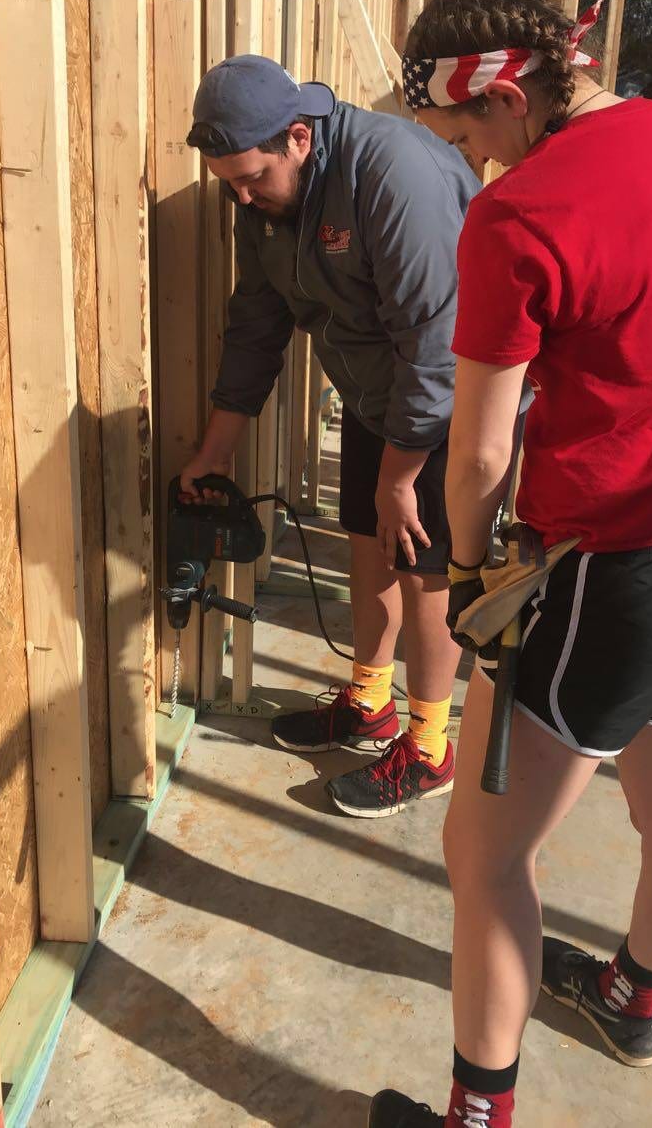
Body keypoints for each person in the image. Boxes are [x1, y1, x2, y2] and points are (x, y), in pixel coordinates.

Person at [369, 0, 652, 1126]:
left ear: (511, 93)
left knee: (482, 852)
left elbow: (473, 459)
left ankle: (480, 1113)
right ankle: (633, 998)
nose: (471, 163)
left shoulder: (522, 216)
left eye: (469, 134)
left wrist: (473, 580)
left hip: (606, 571)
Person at [184, 55, 480, 817]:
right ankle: (370, 701)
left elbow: (437, 343)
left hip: (450, 400)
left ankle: (431, 744)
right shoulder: (263, 201)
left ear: (299, 139)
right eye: (229, 184)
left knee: (423, 566)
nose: (242, 198)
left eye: (252, 179)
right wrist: (217, 447)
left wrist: (403, 474)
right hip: (375, 395)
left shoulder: (391, 174)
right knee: (366, 542)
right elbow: (256, 326)